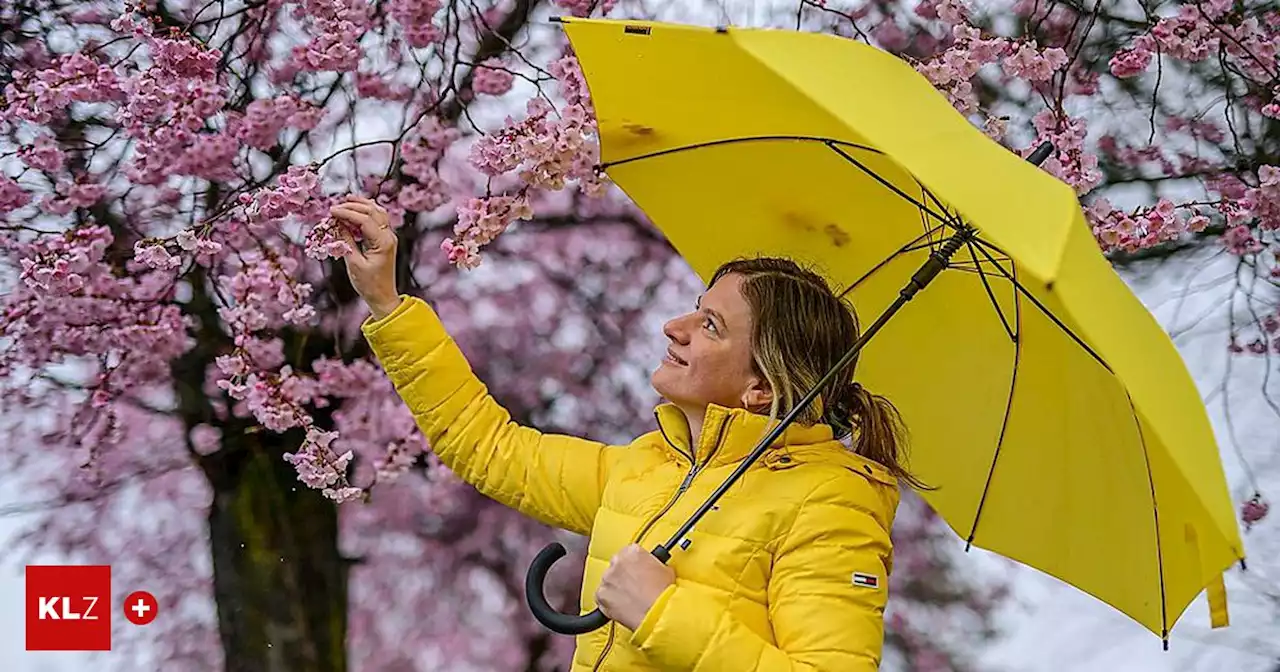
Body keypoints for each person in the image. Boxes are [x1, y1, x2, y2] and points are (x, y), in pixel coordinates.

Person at [332, 195, 921, 671]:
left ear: (760, 388)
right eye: (695, 307)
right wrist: (388, 304)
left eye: (709, 325)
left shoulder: (831, 503)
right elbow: (487, 446)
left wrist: (662, 611)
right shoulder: (645, 469)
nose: (675, 326)